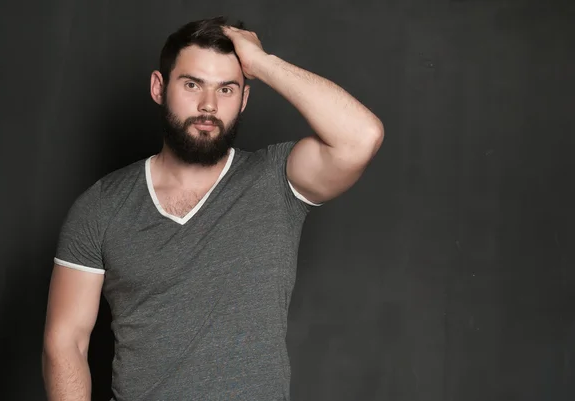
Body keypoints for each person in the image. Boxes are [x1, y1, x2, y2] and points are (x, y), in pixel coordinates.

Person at [41, 16, 384, 401]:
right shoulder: (100, 207)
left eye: (227, 89)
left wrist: (262, 63)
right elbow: (65, 341)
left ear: (245, 98)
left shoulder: (276, 180)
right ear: (159, 87)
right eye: (192, 85)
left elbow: (361, 137)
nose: (208, 105)